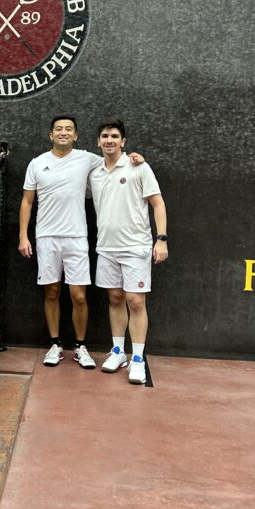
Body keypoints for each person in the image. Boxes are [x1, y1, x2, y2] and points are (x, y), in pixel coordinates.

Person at [19, 117, 143, 369]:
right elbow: (27, 201)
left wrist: (133, 157)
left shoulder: (87, 159)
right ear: (51, 135)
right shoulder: (37, 163)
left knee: (78, 295)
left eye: (68, 129)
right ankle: (55, 345)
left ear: (75, 136)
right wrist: (23, 235)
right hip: (46, 237)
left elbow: (113, 159)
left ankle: (80, 347)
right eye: (58, 129)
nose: (63, 133)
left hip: (76, 237)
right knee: (51, 292)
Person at [89, 119, 168, 385]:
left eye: (114, 136)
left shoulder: (139, 166)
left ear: (123, 142)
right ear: (98, 142)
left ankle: (137, 358)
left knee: (135, 301)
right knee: (115, 298)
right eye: (105, 136)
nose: (109, 140)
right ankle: (118, 351)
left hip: (136, 247)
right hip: (106, 247)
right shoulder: (94, 172)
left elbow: (158, 204)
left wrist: (161, 239)